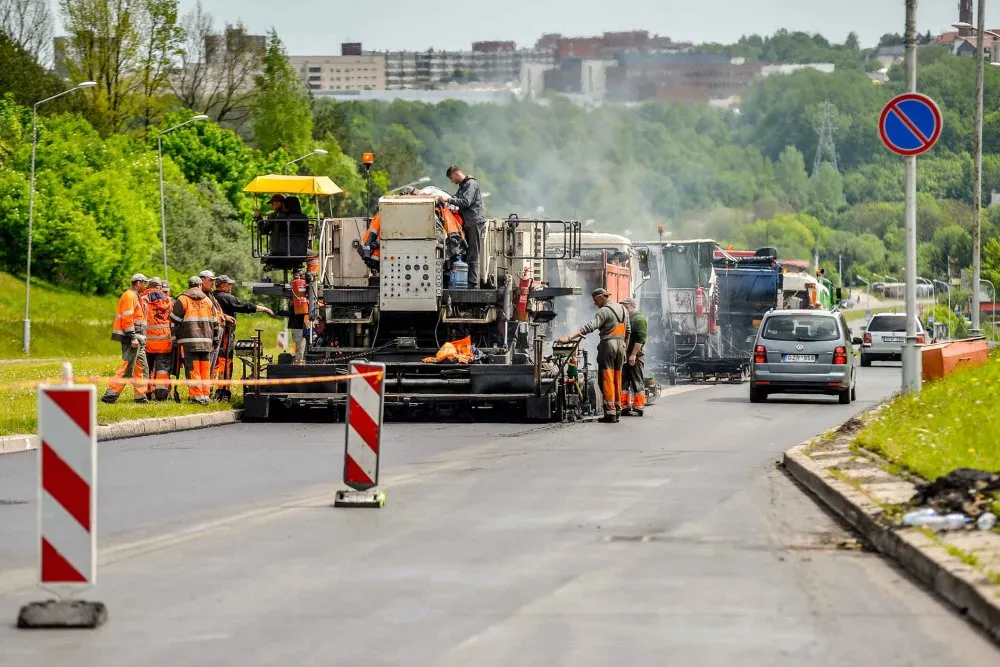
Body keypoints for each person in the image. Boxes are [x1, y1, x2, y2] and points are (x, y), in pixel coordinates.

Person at [556, 288, 630, 423]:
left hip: (608, 345)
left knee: (607, 378)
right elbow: (628, 331)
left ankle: (610, 412)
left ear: (601, 297)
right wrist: (624, 348)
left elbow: (590, 326)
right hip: (621, 346)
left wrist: (568, 337)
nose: (595, 303)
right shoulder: (623, 309)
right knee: (617, 378)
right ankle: (617, 409)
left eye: (595, 300)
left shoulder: (604, 311)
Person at [211, 275, 275, 401]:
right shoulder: (225, 297)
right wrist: (265, 309)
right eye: (229, 284)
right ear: (222, 286)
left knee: (214, 363)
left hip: (213, 334)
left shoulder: (211, 296)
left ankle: (208, 390)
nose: (231, 286)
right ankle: (223, 392)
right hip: (224, 335)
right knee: (225, 363)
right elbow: (244, 306)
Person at [171, 276, 221, 405]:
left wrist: (175, 338)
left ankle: (196, 396)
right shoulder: (208, 301)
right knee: (205, 369)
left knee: (193, 369)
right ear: (200, 285)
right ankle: (205, 395)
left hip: (190, 342)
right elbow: (216, 323)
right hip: (207, 342)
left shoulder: (182, 299)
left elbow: (174, 320)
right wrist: (215, 339)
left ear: (189, 285)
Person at [102, 273, 150, 404]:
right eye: (145, 283)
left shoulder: (136, 296)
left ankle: (140, 396)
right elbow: (127, 318)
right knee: (127, 368)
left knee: (141, 367)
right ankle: (110, 395)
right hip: (132, 338)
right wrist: (132, 337)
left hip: (138, 338)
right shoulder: (129, 296)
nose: (146, 285)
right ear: (138, 283)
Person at [436, 165, 484, 287]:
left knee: (473, 253)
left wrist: (448, 199)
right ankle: (468, 281)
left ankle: (473, 284)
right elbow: (456, 198)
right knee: (467, 253)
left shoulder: (471, 184)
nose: (452, 181)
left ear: (456, 174)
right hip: (468, 223)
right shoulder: (463, 186)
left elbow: (466, 202)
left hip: (474, 221)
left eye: (451, 178)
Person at [142, 277, 174, 402]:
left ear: (149, 286)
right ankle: (161, 395)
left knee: (146, 369)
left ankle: (146, 393)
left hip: (146, 341)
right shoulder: (168, 300)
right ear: (160, 287)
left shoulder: (142, 299)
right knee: (162, 370)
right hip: (163, 341)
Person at [620, 298, 648, 417]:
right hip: (626, 354)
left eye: (626, 307)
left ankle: (639, 405)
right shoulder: (628, 319)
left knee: (636, 380)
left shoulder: (639, 319)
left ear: (632, 306)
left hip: (635, 355)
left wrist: (633, 354)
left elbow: (640, 339)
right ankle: (624, 405)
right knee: (624, 381)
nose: (625, 309)